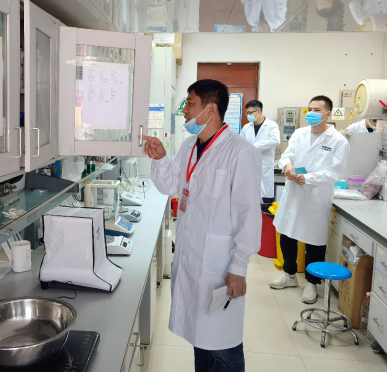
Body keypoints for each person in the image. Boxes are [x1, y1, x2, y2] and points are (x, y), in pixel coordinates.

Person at [142, 79, 261, 372]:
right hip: (192, 256)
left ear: (210, 109)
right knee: (201, 341)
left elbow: (248, 215)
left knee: (223, 347)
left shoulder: (240, 151)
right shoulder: (189, 146)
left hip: (220, 265)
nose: (184, 110)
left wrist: (239, 267)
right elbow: (171, 186)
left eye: (190, 103)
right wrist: (161, 159)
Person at [269, 95, 350, 304]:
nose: (312, 113)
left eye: (317, 110)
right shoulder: (299, 133)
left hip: (316, 195)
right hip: (294, 192)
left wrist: (309, 178)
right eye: (310, 109)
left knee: (314, 241)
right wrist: (287, 165)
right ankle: (289, 275)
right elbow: (287, 155)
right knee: (287, 234)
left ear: (327, 114)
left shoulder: (338, 141)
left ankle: (312, 283)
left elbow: (335, 172)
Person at [240, 100, 281, 203]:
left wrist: (253, 146)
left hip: (264, 166)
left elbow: (275, 140)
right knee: (249, 198)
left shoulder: (271, 125)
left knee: (266, 197)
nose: (248, 116)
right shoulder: (246, 127)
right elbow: (241, 143)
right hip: (249, 166)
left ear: (258, 111)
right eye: (247, 113)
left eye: (250, 113)